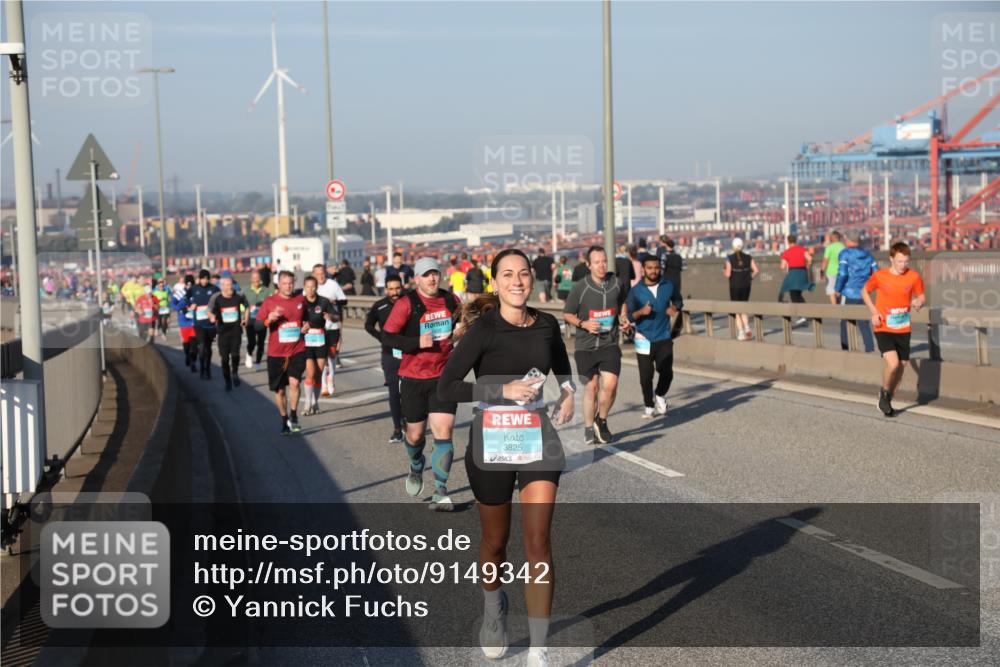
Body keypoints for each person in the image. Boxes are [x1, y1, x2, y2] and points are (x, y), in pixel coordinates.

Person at [438, 248, 575, 665]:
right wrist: (502, 391)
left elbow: (562, 367)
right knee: (495, 543)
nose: (517, 281)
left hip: (537, 439)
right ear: (495, 283)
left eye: (523, 274)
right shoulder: (483, 331)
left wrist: (567, 394)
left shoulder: (547, 325)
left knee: (538, 543)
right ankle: (493, 608)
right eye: (507, 275)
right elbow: (447, 388)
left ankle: (538, 649)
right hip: (492, 442)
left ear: (532, 279)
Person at [381, 257, 461, 510]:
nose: (432, 278)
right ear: (417, 279)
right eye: (426, 275)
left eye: (435, 273)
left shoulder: (451, 300)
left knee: (444, 430)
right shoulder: (407, 304)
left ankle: (440, 491)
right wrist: (416, 342)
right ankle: (416, 465)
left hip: (444, 376)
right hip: (414, 378)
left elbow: (460, 325)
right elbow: (388, 336)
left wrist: (460, 330)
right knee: (415, 435)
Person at [562, 245, 629, 445]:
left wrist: (623, 315)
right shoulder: (579, 288)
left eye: (604, 261)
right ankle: (589, 427)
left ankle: (602, 420)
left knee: (611, 385)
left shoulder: (616, 283)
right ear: (588, 265)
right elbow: (567, 314)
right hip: (585, 345)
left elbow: (622, 301)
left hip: (609, 343)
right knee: (591, 387)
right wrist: (583, 324)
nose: (602, 266)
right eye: (597, 262)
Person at [861, 242, 925, 417]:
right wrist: (873, 311)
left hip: (903, 327)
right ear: (891, 259)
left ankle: (887, 398)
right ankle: (884, 391)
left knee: (902, 366)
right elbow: (864, 291)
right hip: (883, 326)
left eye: (906, 261)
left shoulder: (913, 276)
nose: (903, 265)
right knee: (893, 364)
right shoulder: (880, 276)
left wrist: (919, 301)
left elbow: (921, 295)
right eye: (899, 261)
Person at [627, 255, 679, 418]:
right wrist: (641, 312)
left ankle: (660, 394)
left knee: (667, 373)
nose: (654, 271)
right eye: (650, 268)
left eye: (656, 267)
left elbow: (678, 300)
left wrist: (675, 307)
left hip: (663, 335)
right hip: (643, 337)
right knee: (645, 376)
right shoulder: (635, 291)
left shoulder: (668, 285)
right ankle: (649, 406)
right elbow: (629, 316)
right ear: (643, 270)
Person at [256, 270, 307, 434]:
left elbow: (308, 318)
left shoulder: (301, 300)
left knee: (295, 383)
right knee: (279, 391)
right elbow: (257, 325)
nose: (288, 286)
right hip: (276, 353)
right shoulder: (270, 302)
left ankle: (293, 414)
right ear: (278, 284)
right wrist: (268, 319)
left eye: (291, 283)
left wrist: (307, 326)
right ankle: (284, 418)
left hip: (297, 349)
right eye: (285, 283)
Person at [364, 275, 406, 442]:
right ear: (386, 289)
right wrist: (381, 337)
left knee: (410, 392)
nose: (395, 292)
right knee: (394, 391)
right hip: (390, 354)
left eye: (397, 288)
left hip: (410, 353)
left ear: (401, 287)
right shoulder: (379, 306)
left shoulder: (409, 302)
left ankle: (410, 421)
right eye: (391, 289)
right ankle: (397, 428)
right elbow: (368, 325)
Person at [299, 275, 338, 415]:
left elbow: (336, 316)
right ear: (304, 287)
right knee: (310, 373)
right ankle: (307, 403)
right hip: (307, 341)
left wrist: (330, 317)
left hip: (321, 340)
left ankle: (315, 402)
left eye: (313, 287)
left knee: (319, 373)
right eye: (307, 287)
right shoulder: (301, 302)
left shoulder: (323, 301)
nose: (310, 289)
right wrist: (301, 327)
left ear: (317, 287)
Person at [834, 230, 878, 353]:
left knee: (844, 322)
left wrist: (837, 289)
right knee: (864, 323)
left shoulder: (844, 253)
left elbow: (842, 273)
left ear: (848, 240)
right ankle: (869, 349)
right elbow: (876, 272)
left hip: (848, 292)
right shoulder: (868, 254)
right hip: (864, 294)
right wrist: (869, 287)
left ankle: (846, 349)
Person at [207, 275, 249, 391]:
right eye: (227, 285)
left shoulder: (238, 296)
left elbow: (245, 307)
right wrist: (211, 317)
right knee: (224, 359)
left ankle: (234, 373)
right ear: (222, 287)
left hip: (236, 331)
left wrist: (245, 319)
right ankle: (227, 380)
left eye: (231, 285)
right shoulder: (217, 298)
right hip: (222, 332)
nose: (230, 287)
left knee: (235, 355)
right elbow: (210, 311)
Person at [313, 263, 348, 395]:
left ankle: (331, 378)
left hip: (332, 326)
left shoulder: (333, 284)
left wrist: (335, 302)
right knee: (321, 357)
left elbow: (344, 301)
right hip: (317, 328)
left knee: (331, 356)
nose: (320, 276)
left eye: (322, 273)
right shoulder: (311, 287)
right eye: (317, 274)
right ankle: (323, 385)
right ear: (314, 274)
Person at [724, 238, 760, 340]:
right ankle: (747, 327)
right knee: (743, 307)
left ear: (733, 246)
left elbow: (728, 274)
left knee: (736, 310)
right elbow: (756, 270)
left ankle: (741, 333)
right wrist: (750, 278)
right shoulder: (749, 257)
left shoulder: (729, 258)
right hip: (746, 286)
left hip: (735, 286)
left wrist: (724, 272)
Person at [190, 269, 221, 380]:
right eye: (203, 278)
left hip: (210, 324)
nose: (205, 280)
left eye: (207, 278)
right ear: (199, 279)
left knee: (208, 347)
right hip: (198, 324)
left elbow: (221, 301)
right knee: (202, 346)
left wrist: (216, 314)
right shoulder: (194, 289)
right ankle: (202, 368)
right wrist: (190, 305)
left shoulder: (214, 289)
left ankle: (207, 368)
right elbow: (184, 300)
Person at [779, 234, 814, 324]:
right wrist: (807, 265)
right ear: (795, 240)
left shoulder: (787, 252)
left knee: (794, 295)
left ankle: (802, 315)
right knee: (798, 294)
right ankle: (807, 313)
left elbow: (782, 267)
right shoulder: (802, 249)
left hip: (793, 273)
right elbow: (810, 259)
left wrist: (783, 264)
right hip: (802, 273)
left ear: (788, 241)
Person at [244, 270, 273, 369]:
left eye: (257, 278)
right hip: (250, 320)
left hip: (262, 321)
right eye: (254, 278)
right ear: (251, 279)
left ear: (260, 279)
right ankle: (249, 354)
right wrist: (245, 310)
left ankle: (258, 362)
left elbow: (271, 303)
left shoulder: (266, 291)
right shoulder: (245, 291)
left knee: (261, 342)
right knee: (251, 342)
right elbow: (240, 304)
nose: (256, 280)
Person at [171, 275, 198, 372]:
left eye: (191, 284)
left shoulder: (197, 291)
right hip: (183, 321)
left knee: (194, 344)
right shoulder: (180, 292)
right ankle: (188, 356)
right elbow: (172, 303)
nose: (189, 286)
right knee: (186, 343)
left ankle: (193, 362)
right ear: (185, 284)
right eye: (188, 284)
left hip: (195, 321)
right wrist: (181, 309)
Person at [821, 231, 846, 305]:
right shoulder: (843, 247)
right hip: (842, 271)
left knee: (831, 289)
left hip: (831, 272)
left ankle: (835, 308)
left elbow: (825, 260)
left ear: (833, 238)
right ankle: (841, 305)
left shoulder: (829, 247)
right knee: (841, 289)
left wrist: (822, 272)